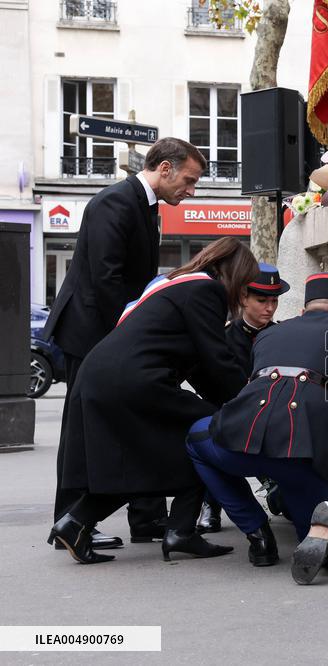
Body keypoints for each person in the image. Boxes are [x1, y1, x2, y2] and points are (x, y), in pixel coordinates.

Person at [47, 237, 257, 565]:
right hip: (133, 381)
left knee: (140, 461)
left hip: (106, 377)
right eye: (244, 287)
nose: (242, 298)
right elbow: (218, 360)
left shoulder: (173, 284)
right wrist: (249, 404)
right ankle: (181, 532)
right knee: (206, 434)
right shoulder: (207, 291)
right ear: (231, 274)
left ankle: (74, 523)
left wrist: (227, 402)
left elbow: (202, 367)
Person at [41, 137, 207, 549]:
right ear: (164, 169)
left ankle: (146, 518)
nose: (191, 191)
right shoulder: (115, 201)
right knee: (81, 431)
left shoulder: (142, 204)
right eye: (188, 180)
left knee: (135, 424)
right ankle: (68, 523)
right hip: (91, 334)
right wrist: (134, 333)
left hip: (111, 334)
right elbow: (106, 279)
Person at [185, 273, 328, 584]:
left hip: (240, 442)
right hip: (304, 454)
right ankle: (324, 530)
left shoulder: (268, 336)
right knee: (325, 533)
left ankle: (257, 531)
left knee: (196, 439)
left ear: (302, 311)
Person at [197, 262, 289, 534]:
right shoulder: (224, 336)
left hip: (272, 413)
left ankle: (281, 489)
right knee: (211, 432)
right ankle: (209, 503)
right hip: (230, 409)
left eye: (274, 301)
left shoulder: (281, 335)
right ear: (242, 298)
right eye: (262, 300)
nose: (269, 308)